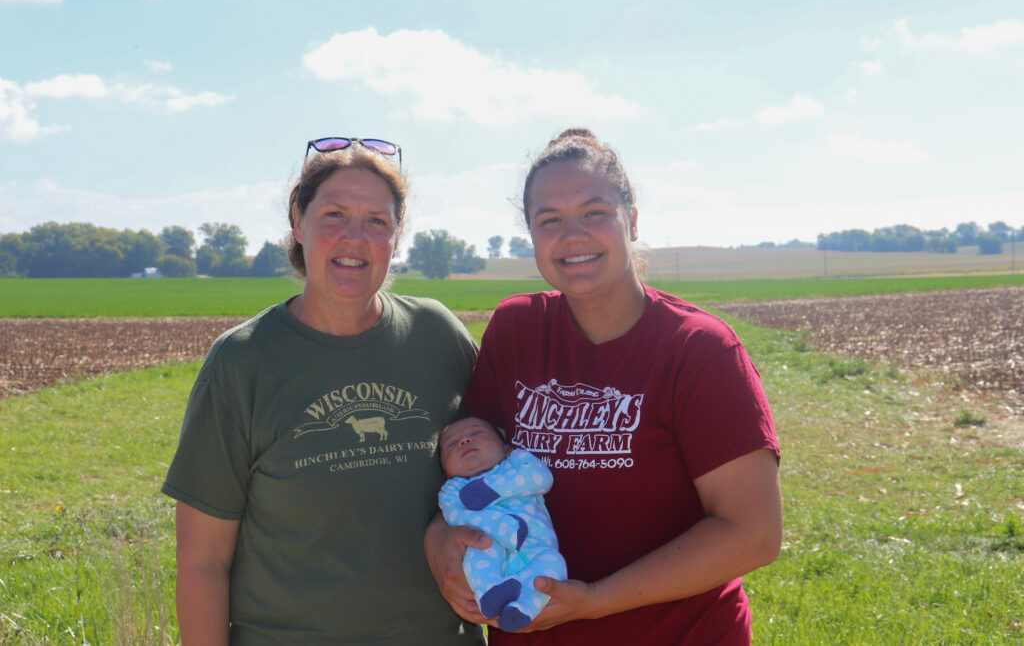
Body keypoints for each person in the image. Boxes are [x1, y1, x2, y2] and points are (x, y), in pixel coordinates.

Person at [426, 128, 782, 644]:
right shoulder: (516, 329)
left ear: (631, 221)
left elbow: (753, 534)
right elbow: (468, 459)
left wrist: (594, 601)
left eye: (594, 212)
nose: (572, 235)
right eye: (549, 221)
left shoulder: (697, 349)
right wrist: (439, 538)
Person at [162, 137, 482, 645]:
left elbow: (499, 470)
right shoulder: (243, 361)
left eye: (377, 221)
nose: (354, 238)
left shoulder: (438, 336)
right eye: (334, 214)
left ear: (396, 236)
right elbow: (203, 561)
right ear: (298, 220)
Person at [438, 417, 568, 633]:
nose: (464, 440)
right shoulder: (452, 489)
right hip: (493, 548)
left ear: (506, 447)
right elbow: (456, 516)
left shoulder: (516, 461)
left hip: (537, 549)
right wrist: (502, 527)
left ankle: (522, 608)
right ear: (445, 470)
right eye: (451, 445)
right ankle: (489, 591)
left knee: (554, 563)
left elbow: (541, 478)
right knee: (479, 549)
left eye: (478, 432)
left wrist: (491, 490)